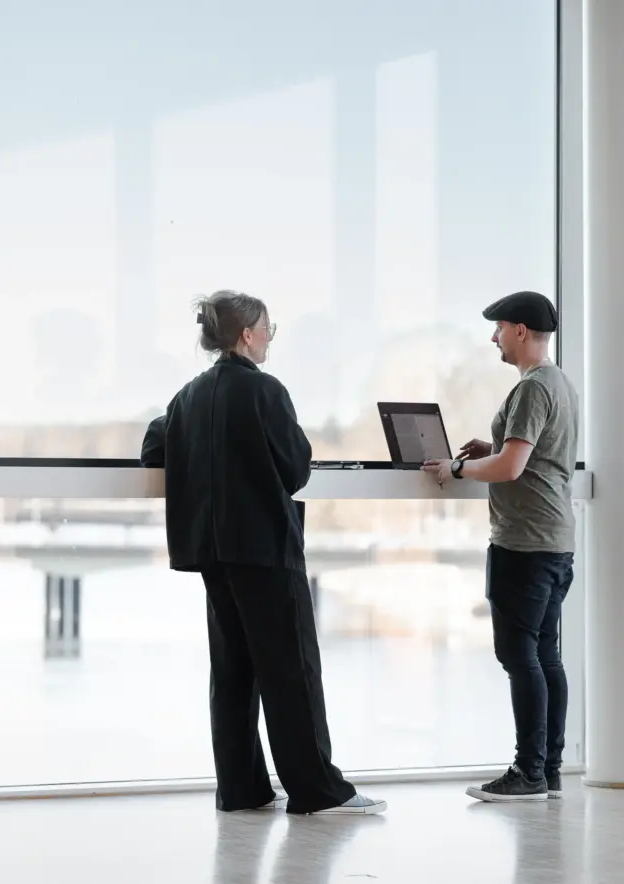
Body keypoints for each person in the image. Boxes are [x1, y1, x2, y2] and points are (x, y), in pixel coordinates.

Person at [161, 289, 386, 816]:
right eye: (268, 328)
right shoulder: (265, 390)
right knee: (291, 669)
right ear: (247, 335)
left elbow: (156, 447)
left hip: (211, 550)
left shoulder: (187, 396)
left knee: (232, 671)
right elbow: (295, 467)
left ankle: (242, 789)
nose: (269, 337)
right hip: (263, 546)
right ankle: (318, 791)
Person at [423, 291, 580, 802]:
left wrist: (457, 468)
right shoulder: (558, 383)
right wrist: (491, 448)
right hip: (554, 541)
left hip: (524, 543)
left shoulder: (532, 388)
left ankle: (527, 773)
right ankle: (548, 770)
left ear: (519, 330)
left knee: (518, 654)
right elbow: (532, 456)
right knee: (544, 654)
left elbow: (512, 469)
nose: (493, 338)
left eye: (498, 329)